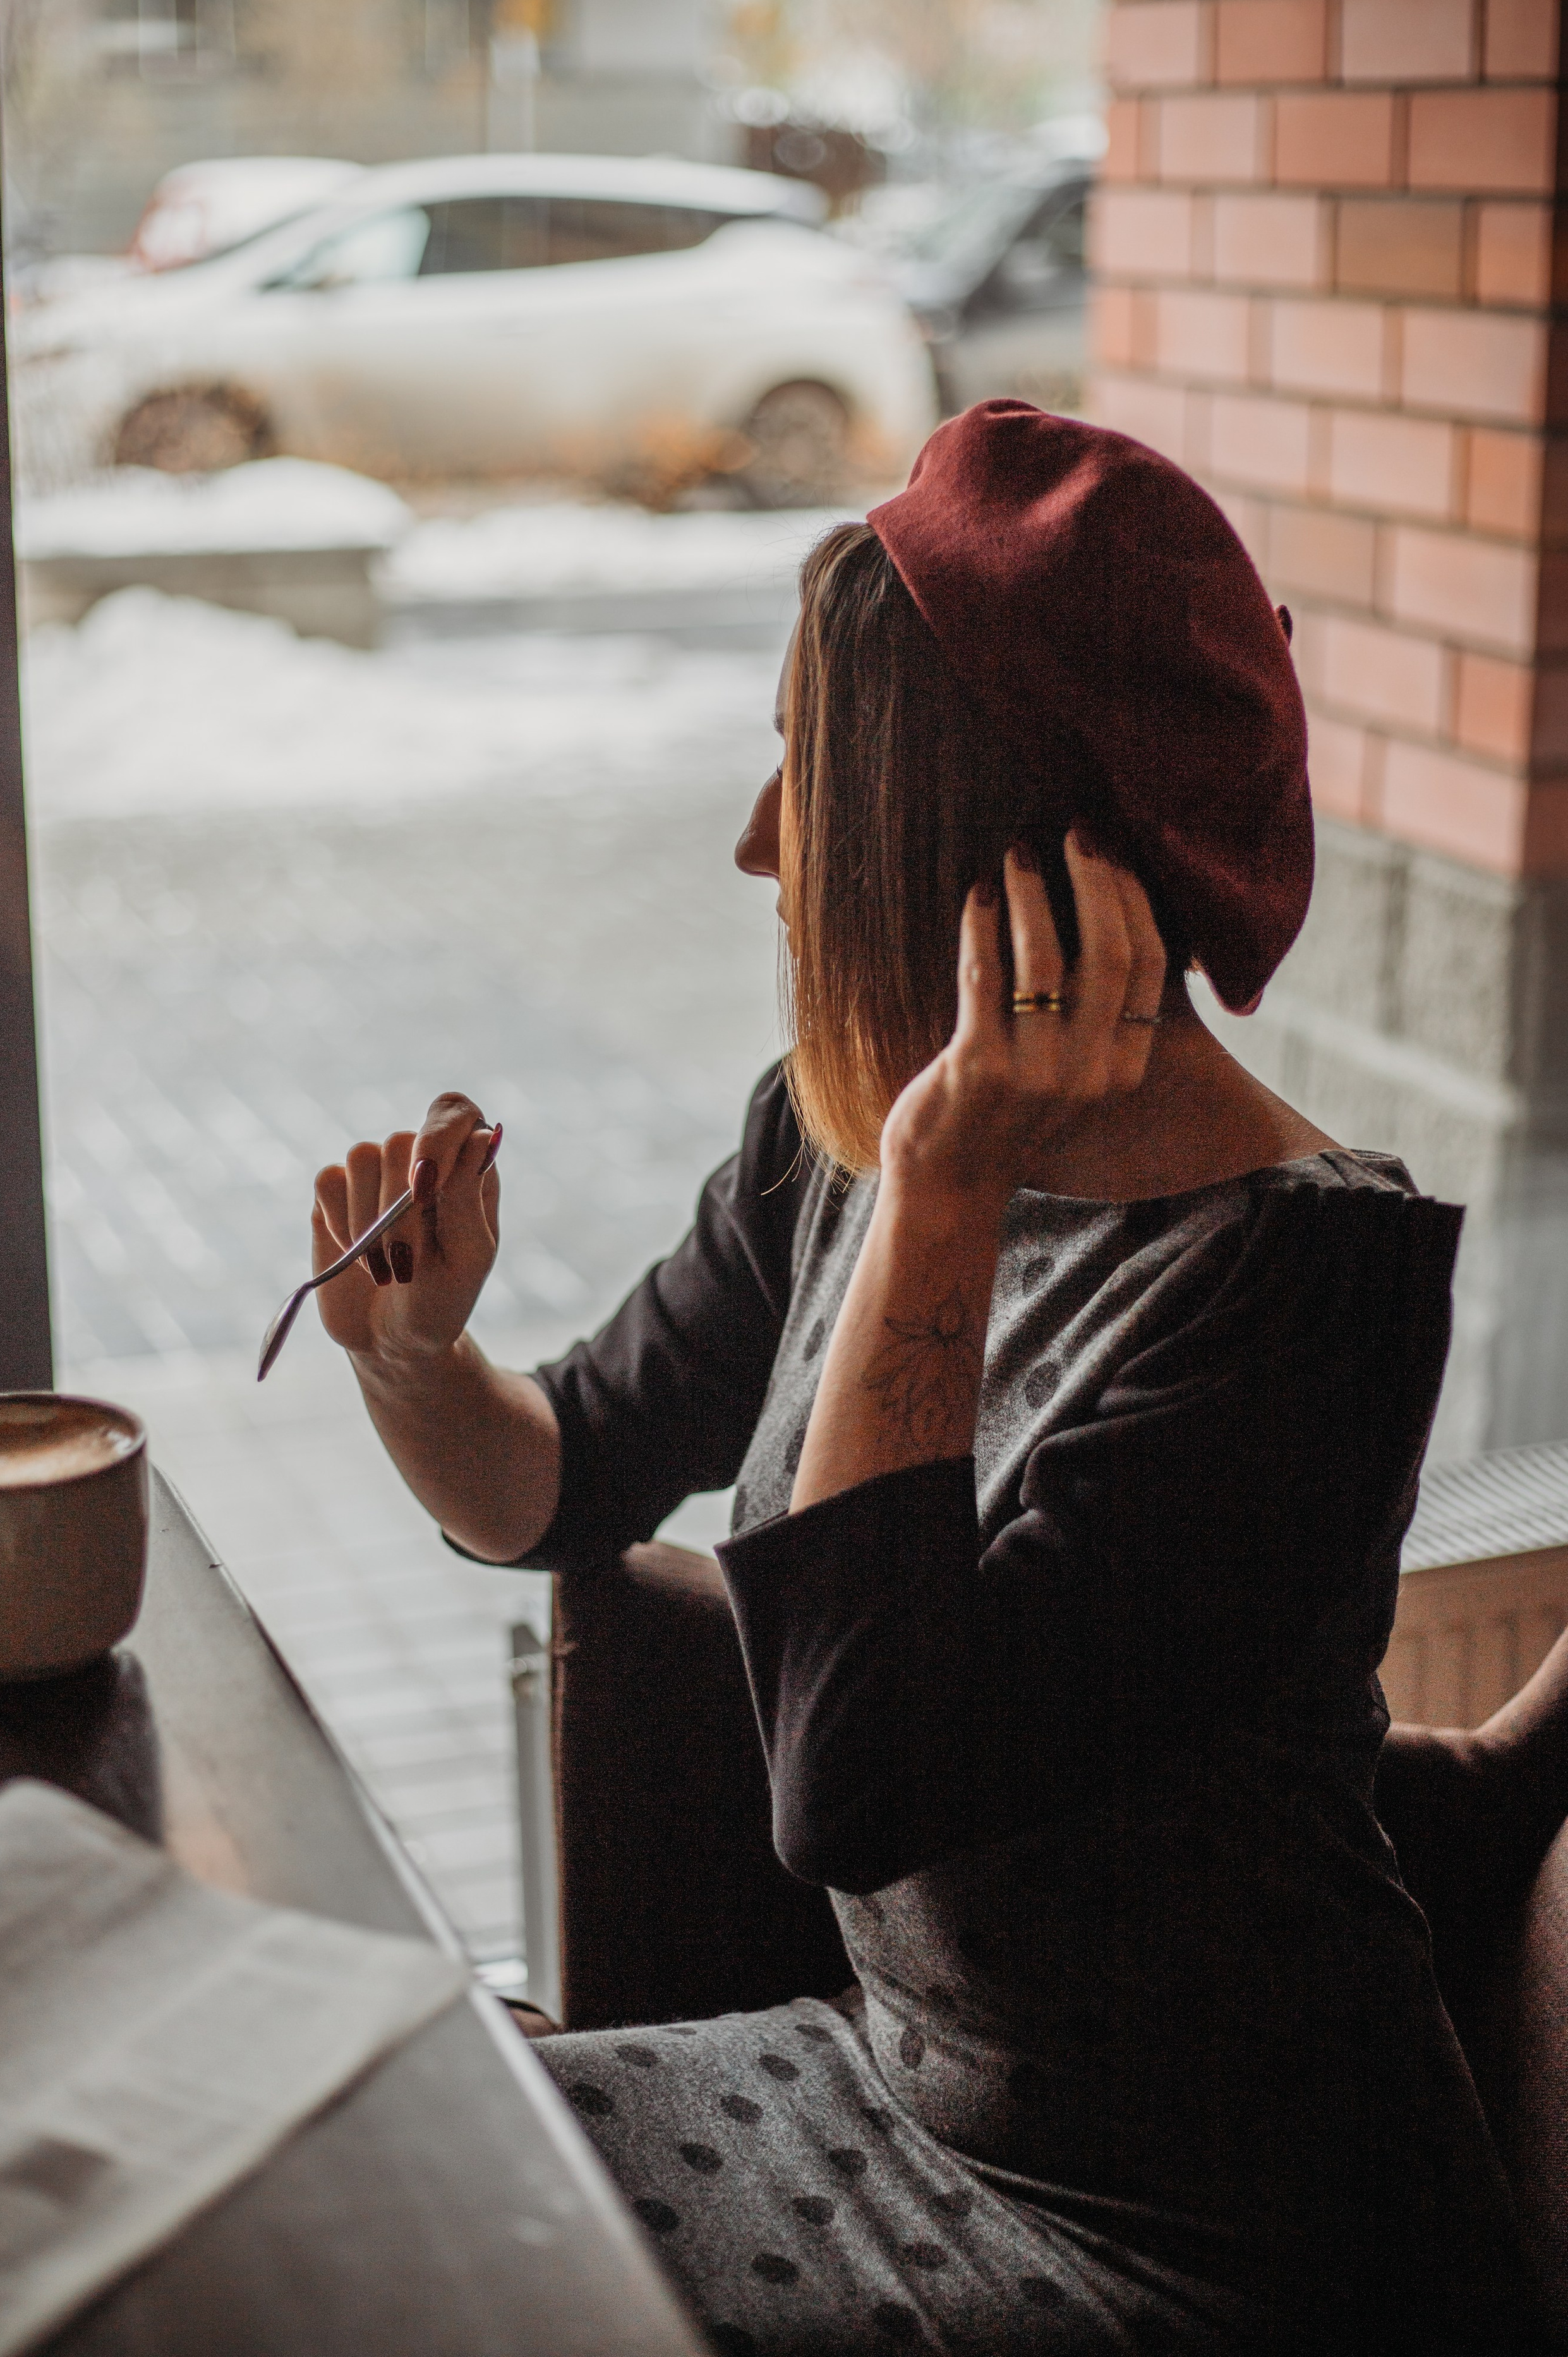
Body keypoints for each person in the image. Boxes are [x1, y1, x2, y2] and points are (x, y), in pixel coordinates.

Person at [309, 403, 1535, 2353]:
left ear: (969, 841)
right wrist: (411, 1356)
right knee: (375, 2181)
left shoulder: (1306, 1290)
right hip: (903, 2105)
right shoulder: (846, 1139)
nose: (753, 842)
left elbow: (858, 1784)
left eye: (806, 766)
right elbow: (561, 1482)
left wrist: (949, 1191)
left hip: (1225, 2244)